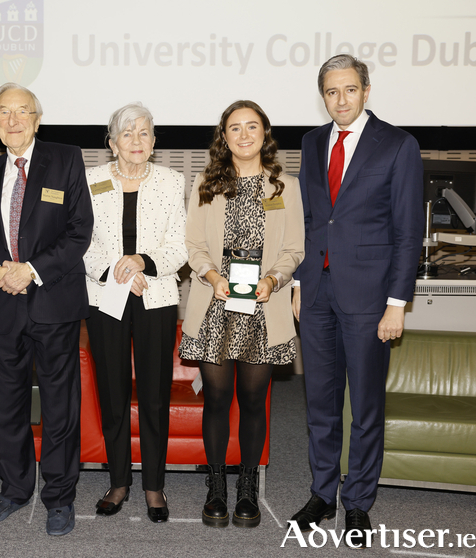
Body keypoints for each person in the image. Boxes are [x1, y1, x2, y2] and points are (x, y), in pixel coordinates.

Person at [290, 54, 424, 548]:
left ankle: (359, 502)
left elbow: (409, 232)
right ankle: (322, 492)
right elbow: (311, 220)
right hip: (318, 293)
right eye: (331, 92)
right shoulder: (310, 142)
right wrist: (301, 285)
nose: (340, 100)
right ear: (322, 95)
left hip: (371, 298)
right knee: (319, 404)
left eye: (349, 90)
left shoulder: (398, 144)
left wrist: (397, 303)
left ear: (366, 90)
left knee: (365, 407)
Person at [0, 83, 93, 537]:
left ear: (37, 120)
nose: (13, 120)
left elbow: (80, 232)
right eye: (4, 112)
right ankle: (15, 488)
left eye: (23, 112)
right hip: (3, 306)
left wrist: (31, 270)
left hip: (53, 302)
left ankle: (59, 496)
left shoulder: (65, 159)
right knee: (8, 404)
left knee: (60, 407)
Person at [180, 100, 305, 528]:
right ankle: (216, 486)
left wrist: (273, 280)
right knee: (216, 399)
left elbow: (294, 249)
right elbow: (193, 245)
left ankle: (247, 487)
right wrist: (212, 275)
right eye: (235, 128)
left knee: (253, 400)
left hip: (263, 308)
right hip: (216, 304)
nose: (244, 135)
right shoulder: (207, 183)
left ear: (264, 134)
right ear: (224, 137)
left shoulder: (285, 186)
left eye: (253, 127)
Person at [83, 103, 188, 523]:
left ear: (154, 141)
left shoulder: (170, 181)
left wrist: (142, 261)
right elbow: (81, 240)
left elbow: (180, 245)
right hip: (105, 295)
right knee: (111, 394)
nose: (137, 141)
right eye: (128, 134)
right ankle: (120, 481)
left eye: (145, 133)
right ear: (112, 143)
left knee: (154, 395)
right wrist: (116, 270)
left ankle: (154, 486)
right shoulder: (90, 180)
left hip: (155, 295)